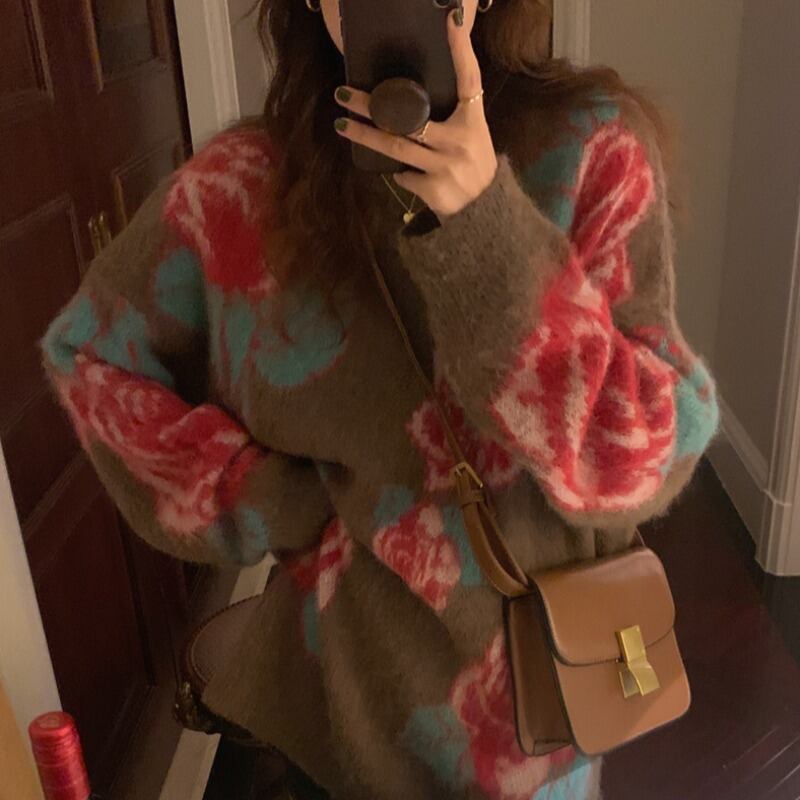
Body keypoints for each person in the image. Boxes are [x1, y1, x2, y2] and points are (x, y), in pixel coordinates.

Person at [41, 0, 721, 798]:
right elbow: (89, 357)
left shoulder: (590, 149)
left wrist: (483, 224)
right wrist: (264, 500)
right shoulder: (241, 188)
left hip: (550, 709)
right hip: (345, 725)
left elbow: (641, 457)